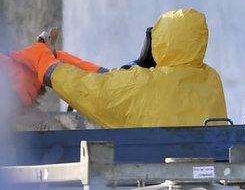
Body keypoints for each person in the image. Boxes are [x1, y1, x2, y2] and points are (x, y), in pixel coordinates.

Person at [14, 8, 227, 128]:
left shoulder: (145, 83)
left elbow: (93, 90)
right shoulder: (211, 80)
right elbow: (119, 84)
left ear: (159, 42)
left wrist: (47, 65)